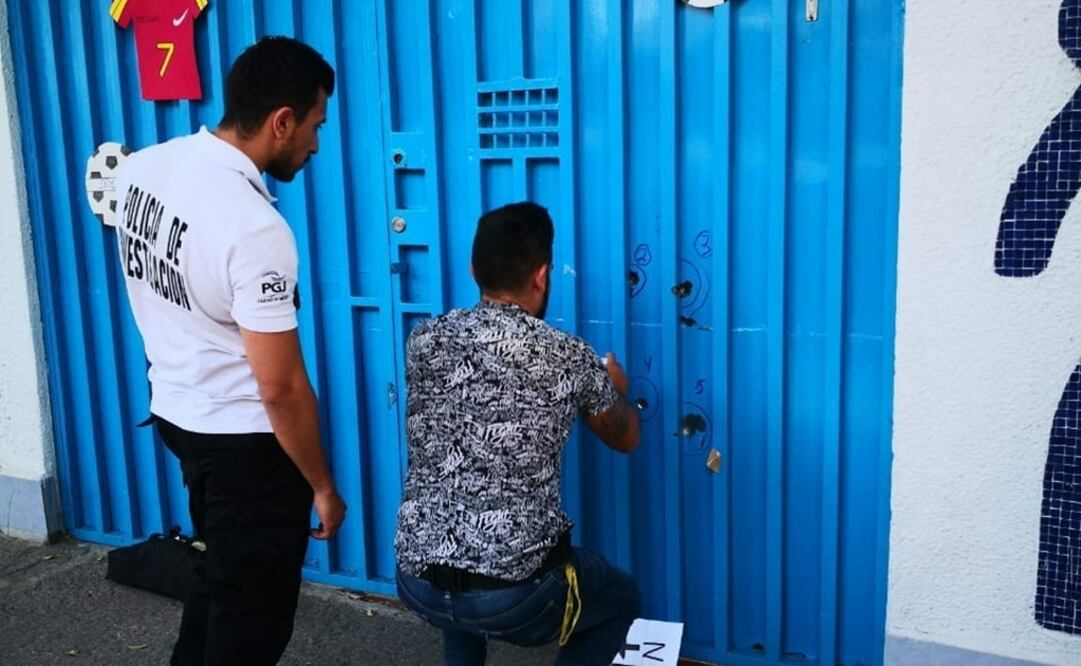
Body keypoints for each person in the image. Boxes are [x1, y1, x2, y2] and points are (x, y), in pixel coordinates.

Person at [113, 36, 346, 665]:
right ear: (282, 122)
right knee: (251, 624)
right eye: (315, 126)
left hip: (178, 417)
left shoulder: (144, 169)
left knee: (221, 582)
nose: (316, 145)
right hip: (246, 451)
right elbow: (281, 388)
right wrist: (322, 484)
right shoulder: (255, 227)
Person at [394, 202, 643, 666]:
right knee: (621, 598)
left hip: (417, 579)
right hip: (514, 596)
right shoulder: (568, 356)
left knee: (459, 584)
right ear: (542, 275)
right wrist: (614, 387)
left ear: (474, 270)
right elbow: (626, 438)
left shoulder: (424, 339)